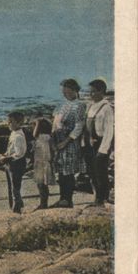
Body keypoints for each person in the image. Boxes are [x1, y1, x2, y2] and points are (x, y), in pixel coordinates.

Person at [51, 78, 87, 208]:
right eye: (63, 92)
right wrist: (53, 139)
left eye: (67, 91)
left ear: (74, 90)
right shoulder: (61, 104)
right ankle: (62, 198)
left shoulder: (79, 105)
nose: (65, 94)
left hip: (70, 142)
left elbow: (79, 127)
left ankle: (68, 199)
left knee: (68, 171)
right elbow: (55, 123)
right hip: (58, 140)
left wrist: (65, 142)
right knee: (60, 171)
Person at [85, 79, 114, 205]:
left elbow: (109, 130)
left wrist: (103, 149)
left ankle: (103, 198)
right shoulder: (90, 106)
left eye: (93, 92)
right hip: (89, 143)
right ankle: (97, 197)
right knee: (91, 171)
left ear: (101, 91)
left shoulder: (106, 107)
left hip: (100, 143)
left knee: (100, 172)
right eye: (89, 92)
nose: (90, 95)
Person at [0, 111, 27, 213]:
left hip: (17, 164)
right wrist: (5, 154)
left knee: (15, 186)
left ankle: (17, 206)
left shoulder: (19, 136)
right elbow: (11, 149)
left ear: (19, 123)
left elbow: (20, 153)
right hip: (11, 163)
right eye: (8, 121)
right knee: (11, 185)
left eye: (10, 122)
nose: (8, 124)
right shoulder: (13, 133)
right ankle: (16, 203)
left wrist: (7, 158)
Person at [32, 118, 55, 210]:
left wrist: (37, 122)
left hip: (41, 163)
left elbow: (34, 134)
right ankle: (43, 203)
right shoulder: (49, 137)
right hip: (45, 162)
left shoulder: (41, 137)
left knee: (41, 184)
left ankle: (43, 203)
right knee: (42, 184)